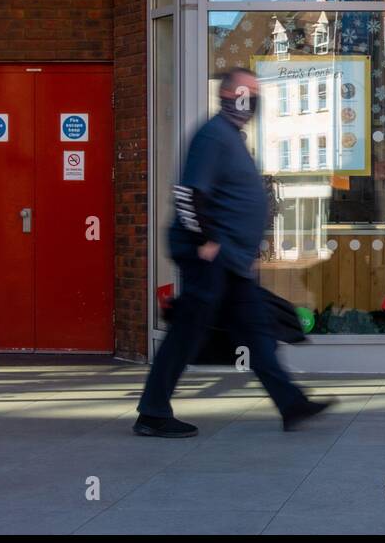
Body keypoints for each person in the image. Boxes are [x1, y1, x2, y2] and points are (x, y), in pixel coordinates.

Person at [134, 67, 330, 438]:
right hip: (212, 260)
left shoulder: (233, 137)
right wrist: (205, 241)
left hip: (234, 262)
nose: (250, 99)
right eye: (244, 92)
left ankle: (291, 404)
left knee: (255, 332)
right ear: (226, 95)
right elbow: (188, 194)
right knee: (187, 333)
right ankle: (152, 413)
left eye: (255, 93)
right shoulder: (214, 136)